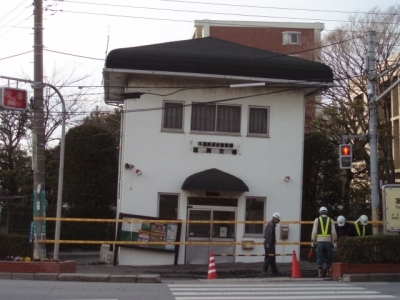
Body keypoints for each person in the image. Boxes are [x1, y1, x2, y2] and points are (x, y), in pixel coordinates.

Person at [311, 206, 337, 278]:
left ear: (320, 212)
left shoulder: (317, 220)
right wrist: (334, 241)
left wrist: (313, 241)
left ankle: (320, 271)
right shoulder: (330, 220)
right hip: (328, 241)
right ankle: (328, 271)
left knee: (320, 256)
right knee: (329, 256)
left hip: (319, 241)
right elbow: (333, 232)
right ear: (327, 212)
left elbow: (314, 232)